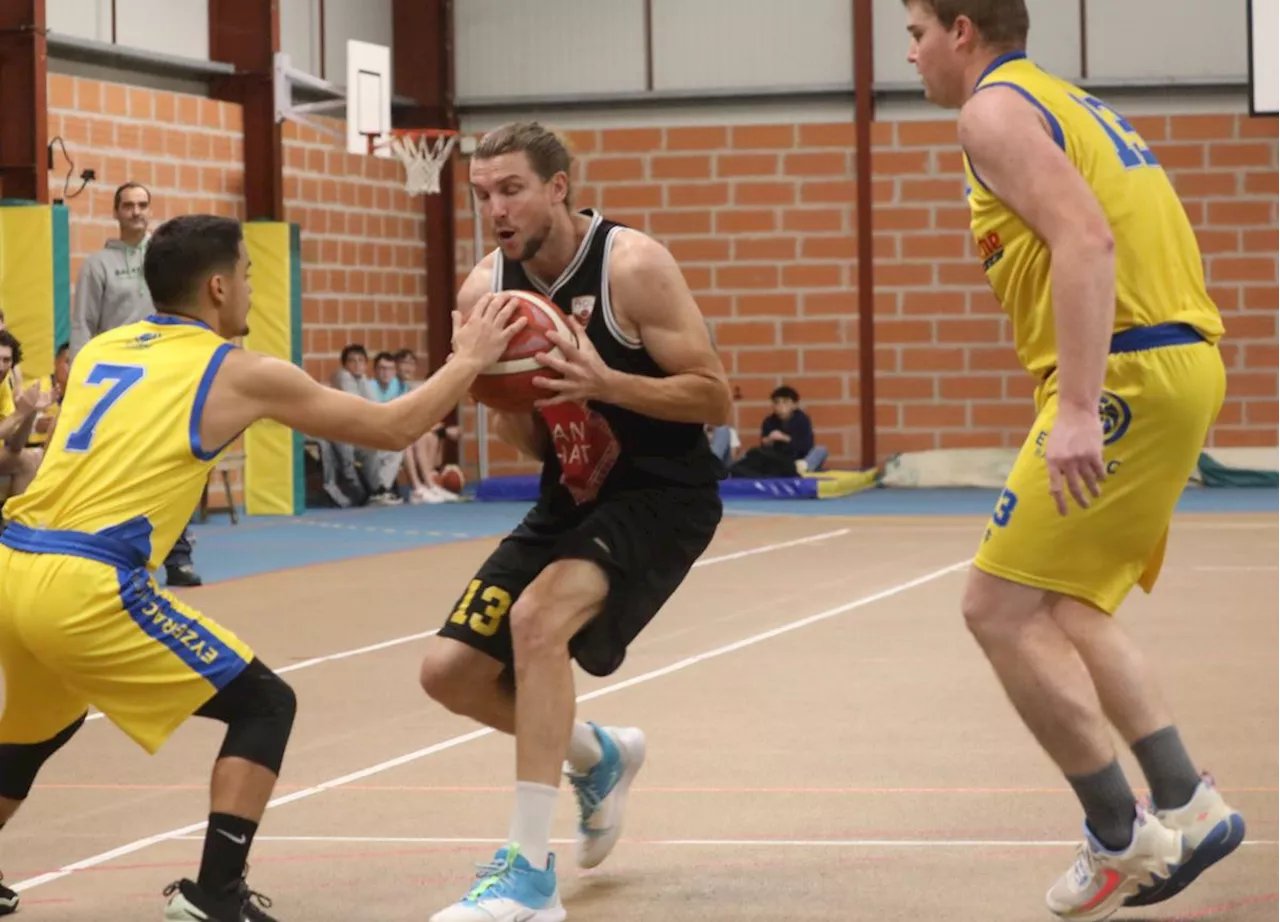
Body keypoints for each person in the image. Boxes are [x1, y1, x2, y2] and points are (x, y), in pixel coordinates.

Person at [0, 214, 526, 921]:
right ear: (218, 286)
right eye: (247, 275)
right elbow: (394, 428)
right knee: (264, 704)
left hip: (14, 563)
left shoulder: (101, 351)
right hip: (85, 582)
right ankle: (215, 895)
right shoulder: (239, 371)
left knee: (42, 721)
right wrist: (470, 357)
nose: (251, 289)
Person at [902, 1, 1243, 919]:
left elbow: (1087, 240)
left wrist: (1083, 409)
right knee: (1070, 602)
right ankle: (1190, 804)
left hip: (1122, 371)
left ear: (962, 30)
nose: (911, 52)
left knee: (995, 609)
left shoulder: (993, 111)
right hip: (1175, 361)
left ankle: (1118, 834)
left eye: (917, 31)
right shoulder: (1069, 99)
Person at [418, 121, 731, 922]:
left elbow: (712, 395)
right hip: (570, 496)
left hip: (662, 493)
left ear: (558, 188)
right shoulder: (483, 292)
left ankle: (528, 874)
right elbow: (527, 437)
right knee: (449, 675)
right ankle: (598, 755)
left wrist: (601, 381)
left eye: (512, 189)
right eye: (482, 194)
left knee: (537, 621)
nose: (495, 208)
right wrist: (507, 389)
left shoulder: (633, 265)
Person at [71, 181, 205, 586]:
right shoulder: (97, 265)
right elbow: (82, 324)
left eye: (143, 204)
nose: (135, 211)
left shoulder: (167, 262)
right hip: (119, 383)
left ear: (151, 209)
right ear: (115, 212)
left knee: (172, 464)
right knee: (120, 471)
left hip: (168, 378)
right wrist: (78, 380)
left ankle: (178, 559)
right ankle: (115, 560)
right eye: (127, 205)